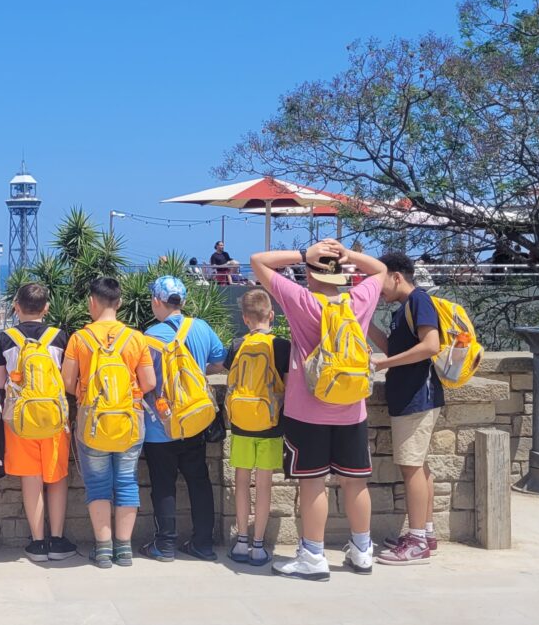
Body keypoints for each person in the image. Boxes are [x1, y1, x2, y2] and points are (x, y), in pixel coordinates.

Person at [248, 238, 387, 581]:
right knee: (355, 483)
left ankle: (312, 555)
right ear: (341, 274)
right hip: (352, 409)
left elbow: (258, 261)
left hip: (307, 410)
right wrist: (348, 254)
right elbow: (382, 269)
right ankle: (363, 551)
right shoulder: (359, 299)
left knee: (313, 484)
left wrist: (301, 255)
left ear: (309, 274)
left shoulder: (302, 301)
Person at [62, 277, 156, 569]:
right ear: (120, 302)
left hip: (92, 421)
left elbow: (66, 381)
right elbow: (149, 382)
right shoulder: (136, 338)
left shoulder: (80, 338)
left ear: (92, 302)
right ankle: (124, 549)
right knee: (127, 480)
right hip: (130, 420)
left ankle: (103, 549)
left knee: (98, 484)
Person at [0, 283, 78, 563]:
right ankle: (57, 539)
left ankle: (38, 542)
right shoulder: (60, 337)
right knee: (57, 476)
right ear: (47, 308)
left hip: (20, 419)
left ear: (16, 306)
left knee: (32, 478)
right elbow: (67, 379)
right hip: (54, 416)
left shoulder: (5, 339)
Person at [140, 276, 226, 562]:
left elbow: (145, 381)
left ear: (156, 301)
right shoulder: (201, 328)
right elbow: (219, 362)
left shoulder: (149, 336)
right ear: (184, 302)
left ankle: (164, 545)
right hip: (194, 420)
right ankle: (203, 543)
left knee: (163, 484)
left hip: (160, 424)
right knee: (198, 479)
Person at [367, 252, 445, 566]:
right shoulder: (403, 309)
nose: (379, 289)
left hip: (417, 397)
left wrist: (385, 364)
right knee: (418, 465)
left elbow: (431, 345)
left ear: (397, 276)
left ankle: (416, 543)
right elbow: (394, 347)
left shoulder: (419, 301)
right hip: (410, 397)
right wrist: (367, 322)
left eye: (380, 281)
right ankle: (425, 533)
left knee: (411, 467)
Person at [222, 289, 289, 568]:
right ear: (271, 315)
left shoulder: (237, 344)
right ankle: (259, 546)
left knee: (240, 482)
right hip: (271, 425)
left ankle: (241, 540)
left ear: (245, 319)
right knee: (263, 486)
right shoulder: (281, 345)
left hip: (240, 424)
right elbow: (288, 386)